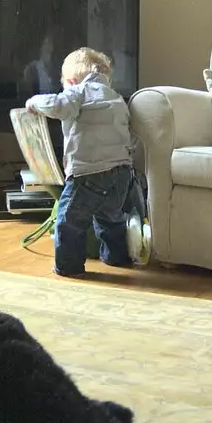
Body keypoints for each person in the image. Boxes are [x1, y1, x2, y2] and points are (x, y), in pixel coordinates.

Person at [24, 47, 136, 277]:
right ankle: (116, 257)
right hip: (122, 173)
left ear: (71, 81)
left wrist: (34, 102)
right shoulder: (116, 97)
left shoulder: (79, 92)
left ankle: (69, 267)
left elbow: (58, 106)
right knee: (110, 218)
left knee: (70, 221)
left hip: (89, 173)